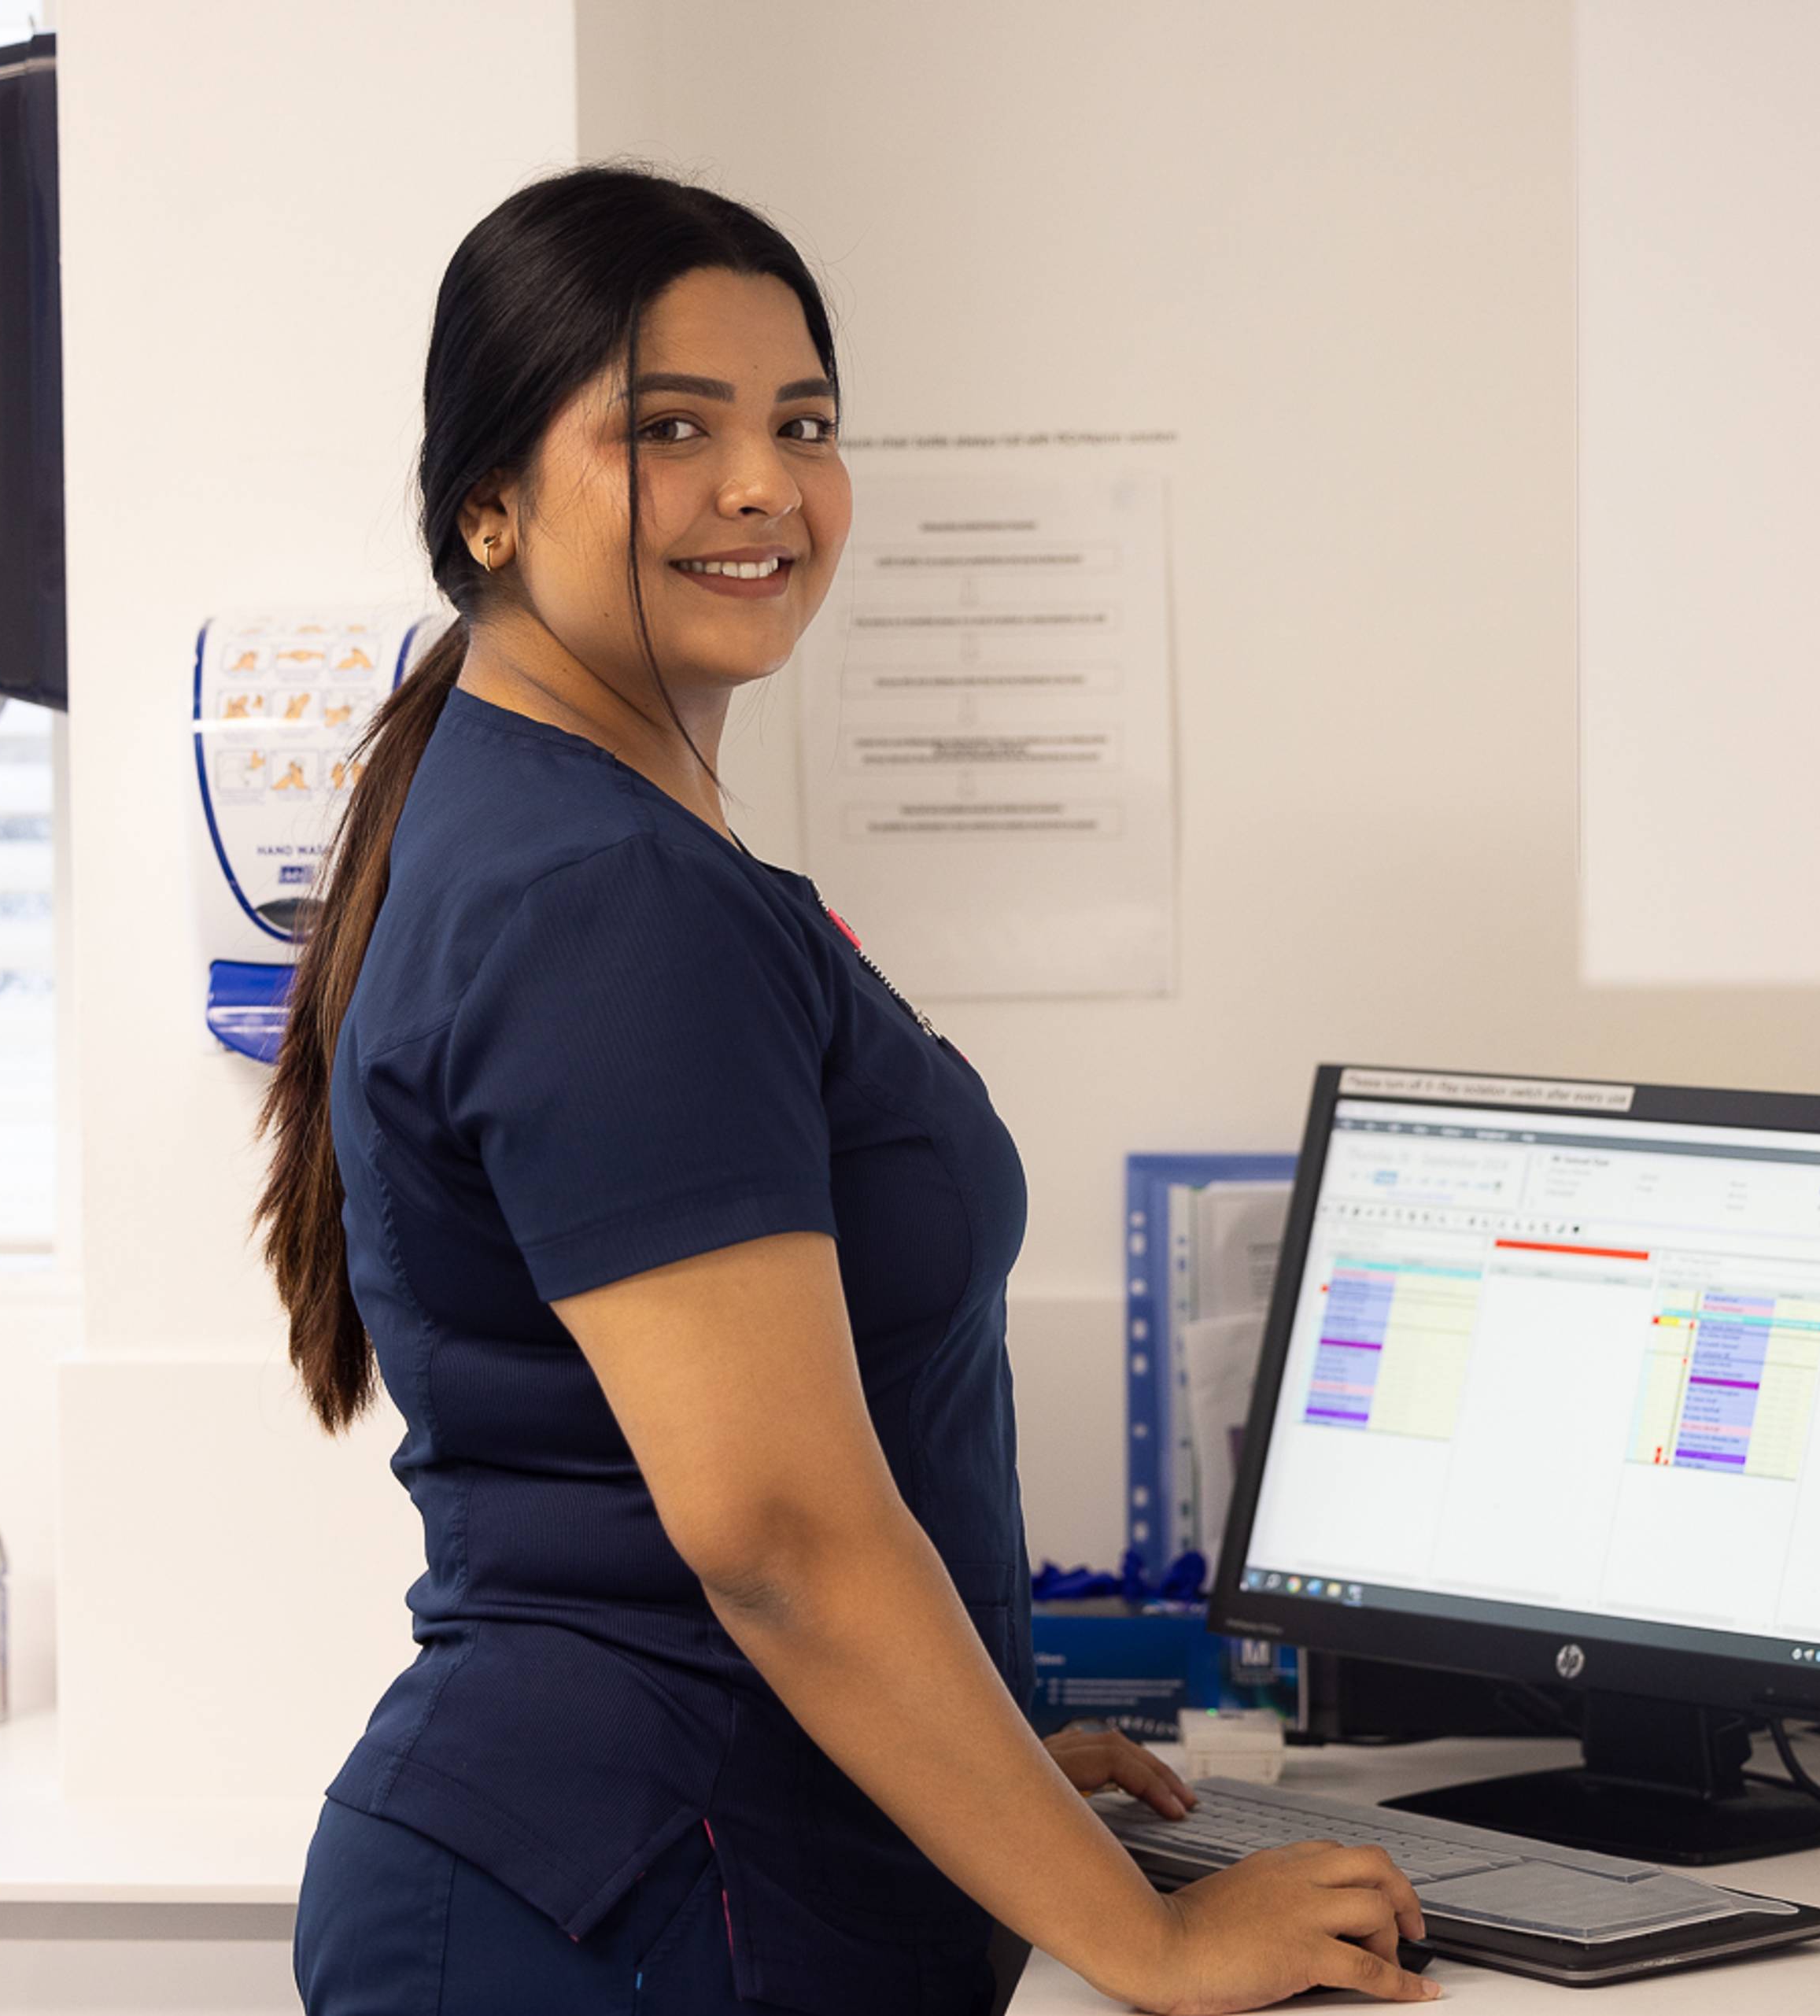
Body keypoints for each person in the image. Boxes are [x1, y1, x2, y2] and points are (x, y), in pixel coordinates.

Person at [258, 164, 1437, 2016]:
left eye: (802, 423)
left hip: (672, 1854)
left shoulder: (583, 837)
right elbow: (779, 1537)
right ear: (487, 503)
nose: (762, 484)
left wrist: (979, 1799)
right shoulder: (608, 897)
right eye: (671, 427)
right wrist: (1147, 1933)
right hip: (629, 1906)